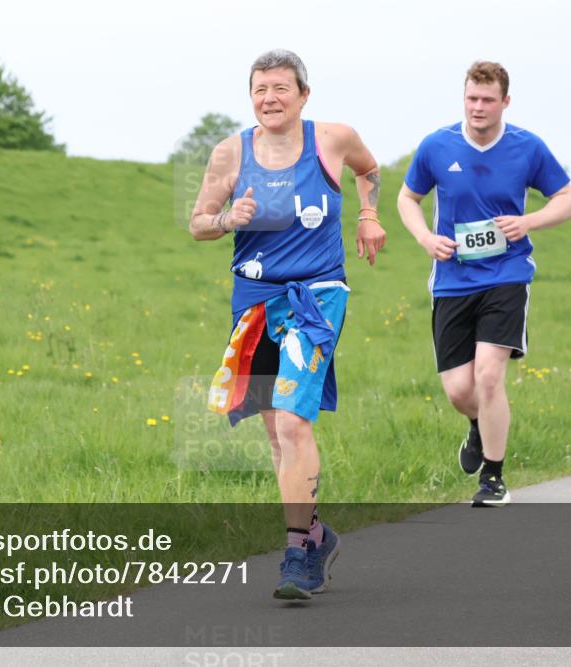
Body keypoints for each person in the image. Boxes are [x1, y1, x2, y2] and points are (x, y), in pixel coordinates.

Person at [190, 49, 385, 599]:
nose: (269, 98)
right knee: (275, 431)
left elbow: (369, 170)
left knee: (295, 424)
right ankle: (318, 533)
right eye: (259, 90)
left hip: (317, 296)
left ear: (304, 94)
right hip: (254, 301)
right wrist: (229, 218)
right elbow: (199, 223)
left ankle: (296, 552)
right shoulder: (230, 153)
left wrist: (369, 216)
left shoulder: (333, 139)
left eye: (280, 88)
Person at [396, 61, 571, 507]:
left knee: (489, 376)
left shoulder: (527, 147)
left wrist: (528, 221)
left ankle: (493, 480)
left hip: (507, 274)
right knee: (461, 390)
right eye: (471, 98)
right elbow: (407, 198)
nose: (478, 107)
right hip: (452, 281)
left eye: (487, 99)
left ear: (505, 102)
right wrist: (425, 238)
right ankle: (479, 427)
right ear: (464, 98)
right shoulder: (437, 146)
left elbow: (568, 200)